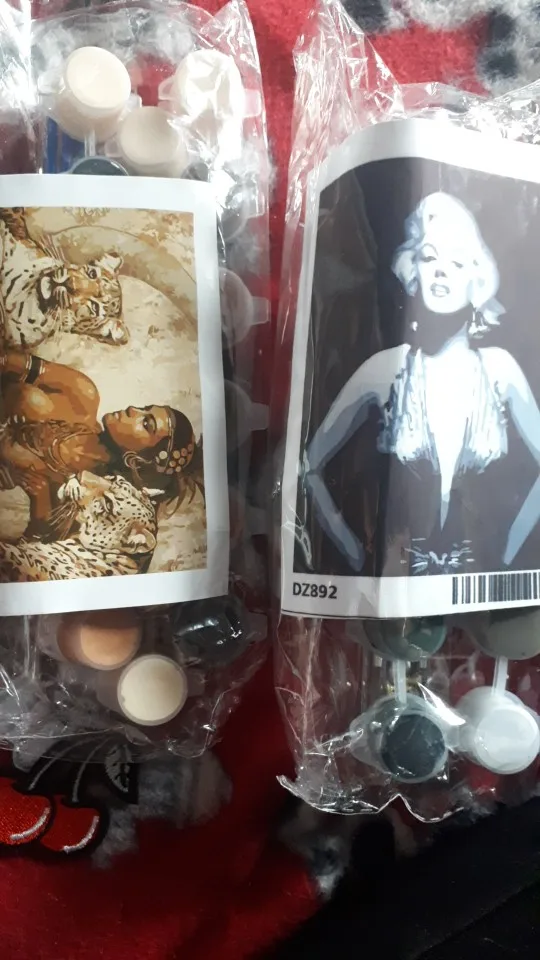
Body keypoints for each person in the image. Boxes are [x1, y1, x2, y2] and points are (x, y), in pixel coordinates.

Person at [304, 191, 540, 574]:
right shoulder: (386, 369)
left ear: (477, 280)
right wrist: (355, 554)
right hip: (396, 581)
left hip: (481, 582)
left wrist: (508, 555)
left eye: (457, 262)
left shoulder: (500, 370)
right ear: (414, 269)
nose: (440, 270)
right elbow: (309, 467)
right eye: (429, 257)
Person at [0, 349, 203, 538]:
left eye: (146, 424)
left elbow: (34, 541)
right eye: (145, 407)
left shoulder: (84, 498)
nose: (133, 409)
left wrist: (41, 497)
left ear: (138, 460)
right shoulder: (82, 394)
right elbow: (8, 361)